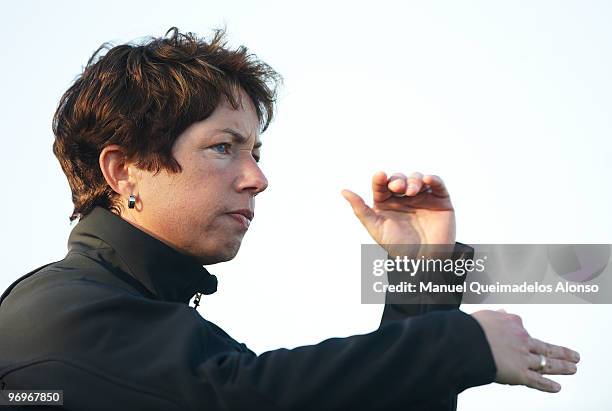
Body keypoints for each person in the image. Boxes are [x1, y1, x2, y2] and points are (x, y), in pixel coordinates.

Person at [0, 27, 579, 411]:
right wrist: (455, 344)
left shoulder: (174, 334)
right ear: (124, 170)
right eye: (224, 146)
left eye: (257, 152)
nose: (257, 178)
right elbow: (248, 397)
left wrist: (421, 277)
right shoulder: (56, 313)